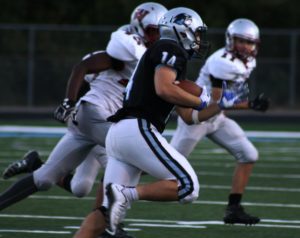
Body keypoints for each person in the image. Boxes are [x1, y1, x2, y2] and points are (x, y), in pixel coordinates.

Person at [72, 7, 247, 238]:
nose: (198, 40)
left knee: (103, 215)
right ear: (181, 30)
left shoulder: (162, 57)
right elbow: (164, 89)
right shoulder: (169, 47)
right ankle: (126, 194)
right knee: (188, 186)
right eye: (196, 33)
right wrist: (199, 99)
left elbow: (189, 117)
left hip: (120, 134)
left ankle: (119, 196)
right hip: (137, 128)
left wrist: (220, 104)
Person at [0, 2, 168, 238]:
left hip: (90, 121)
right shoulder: (128, 47)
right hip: (93, 114)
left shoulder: (153, 55)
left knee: (47, 178)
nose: (157, 36)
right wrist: (68, 101)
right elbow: (83, 66)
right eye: (153, 31)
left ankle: (107, 223)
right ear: (139, 28)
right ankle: (110, 226)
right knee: (131, 157)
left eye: (160, 31)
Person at [170, 18, 270, 225]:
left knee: (249, 154)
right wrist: (250, 105)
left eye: (249, 42)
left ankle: (233, 209)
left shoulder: (250, 60)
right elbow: (219, 99)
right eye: (240, 41)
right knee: (164, 167)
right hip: (196, 117)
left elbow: (227, 99)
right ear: (230, 40)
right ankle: (124, 175)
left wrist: (245, 102)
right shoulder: (221, 61)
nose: (245, 46)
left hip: (216, 118)